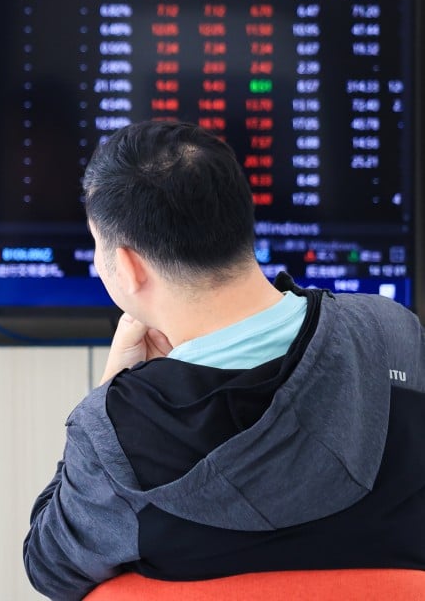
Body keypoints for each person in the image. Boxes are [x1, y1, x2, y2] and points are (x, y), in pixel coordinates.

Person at [23, 120, 425, 600]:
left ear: (128, 265)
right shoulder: (395, 334)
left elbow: (50, 565)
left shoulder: (118, 432)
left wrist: (112, 387)